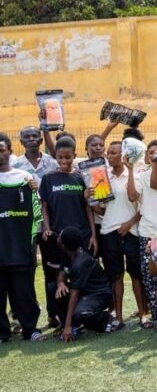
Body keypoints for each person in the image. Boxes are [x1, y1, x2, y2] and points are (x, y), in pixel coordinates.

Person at [0, 135, 46, 342]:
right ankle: (2, 333)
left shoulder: (25, 178)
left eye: (2, 150)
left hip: (20, 247)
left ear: (10, 151)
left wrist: (33, 241)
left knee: (24, 292)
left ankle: (30, 329)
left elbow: (36, 212)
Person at [13, 126, 58, 326]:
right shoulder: (15, 165)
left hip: (49, 225)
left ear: (40, 140)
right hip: (25, 226)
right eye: (27, 137)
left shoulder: (52, 162)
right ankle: (26, 316)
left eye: (34, 136)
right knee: (27, 271)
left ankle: (54, 314)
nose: (31, 139)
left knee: (52, 270)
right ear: (21, 141)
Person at [94, 141, 142, 331]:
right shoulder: (101, 177)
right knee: (116, 276)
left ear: (123, 155)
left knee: (136, 275)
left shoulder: (137, 175)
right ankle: (119, 317)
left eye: (113, 153)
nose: (108, 156)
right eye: (108, 153)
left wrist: (129, 224)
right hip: (109, 232)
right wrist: (89, 200)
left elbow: (135, 201)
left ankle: (142, 313)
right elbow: (102, 209)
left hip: (131, 232)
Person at [127, 140, 157, 330]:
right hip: (148, 234)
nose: (154, 155)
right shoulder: (140, 176)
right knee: (151, 277)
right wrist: (129, 169)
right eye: (150, 152)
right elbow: (132, 196)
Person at [39, 137, 98, 280]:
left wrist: (93, 235)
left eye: (68, 157)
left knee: (83, 277)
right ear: (55, 157)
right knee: (59, 278)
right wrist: (46, 228)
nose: (64, 161)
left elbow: (87, 208)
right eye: (60, 157)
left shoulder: (81, 177)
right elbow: (44, 207)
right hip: (58, 235)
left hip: (82, 235)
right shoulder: (48, 179)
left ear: (75, 156)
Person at [53, 227, 114, 342]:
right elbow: (62, 271)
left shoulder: (81, 262)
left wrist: (68, 325)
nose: (58, 235)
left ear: (64, 244)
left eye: (60, 235)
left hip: (100, 294)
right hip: (85, 293)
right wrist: (60, 283)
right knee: (53, 288)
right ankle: (74, 324)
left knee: (80, 313)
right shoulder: (67, 253)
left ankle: (106, 319)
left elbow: (74, 295)